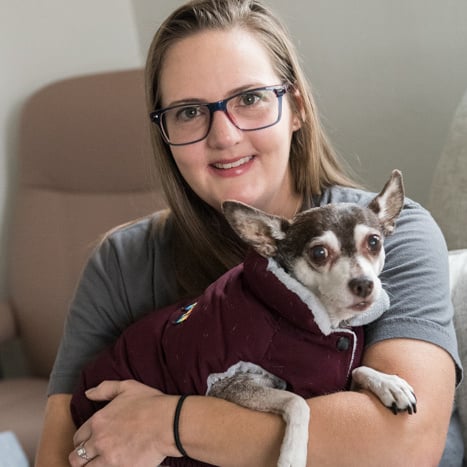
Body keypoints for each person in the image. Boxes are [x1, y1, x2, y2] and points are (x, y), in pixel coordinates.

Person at [35, 0, 463, 466]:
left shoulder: (392, 236)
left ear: (295, 108)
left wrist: (166, 424)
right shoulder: (125, 261)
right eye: (188, 111)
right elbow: (59, 453)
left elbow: (405, 445)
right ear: (164, 135)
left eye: (250, 98)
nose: (224, 135)